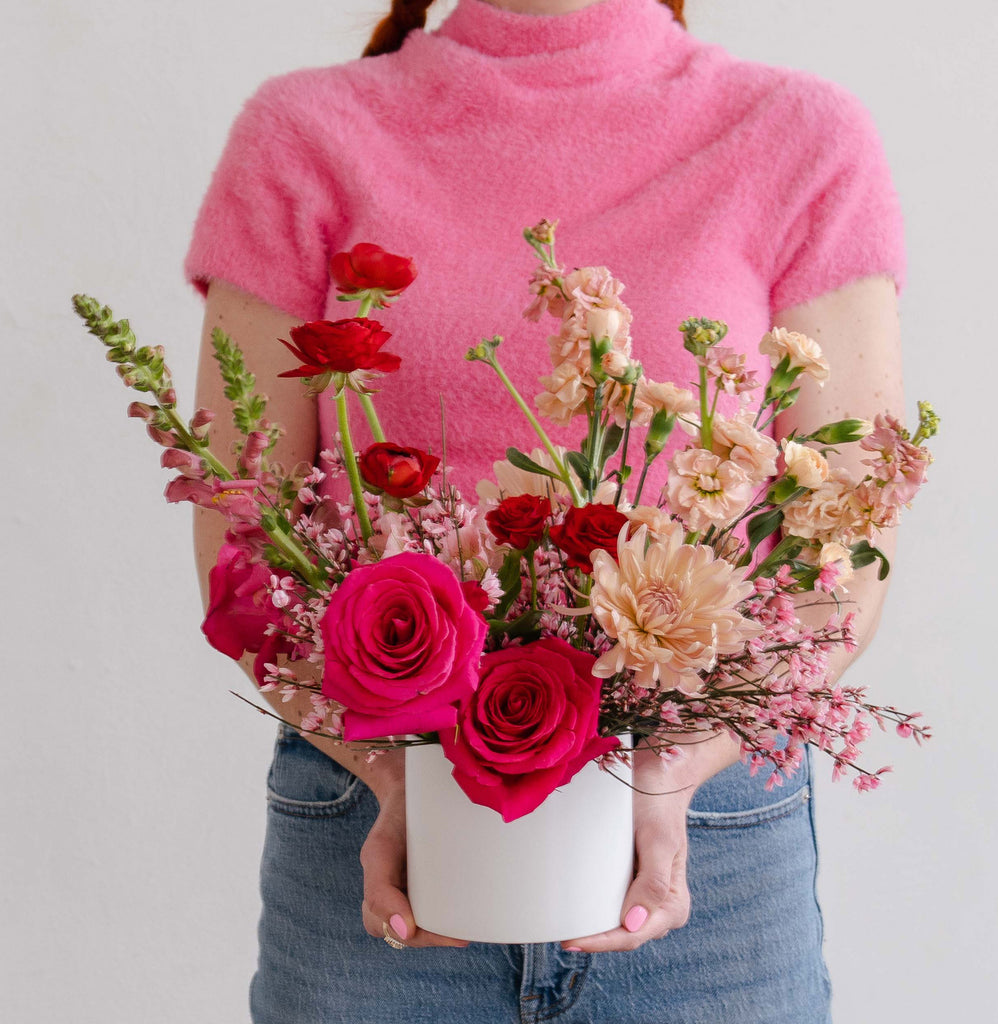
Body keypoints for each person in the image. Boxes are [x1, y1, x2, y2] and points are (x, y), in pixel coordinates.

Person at [186, 0, 906, 1019]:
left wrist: (666, 777)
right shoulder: (305, 135)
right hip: (371, 837)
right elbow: (242, 547)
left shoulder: (795, 134)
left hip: (708, 846)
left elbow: (847, 548)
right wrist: (405, 786)